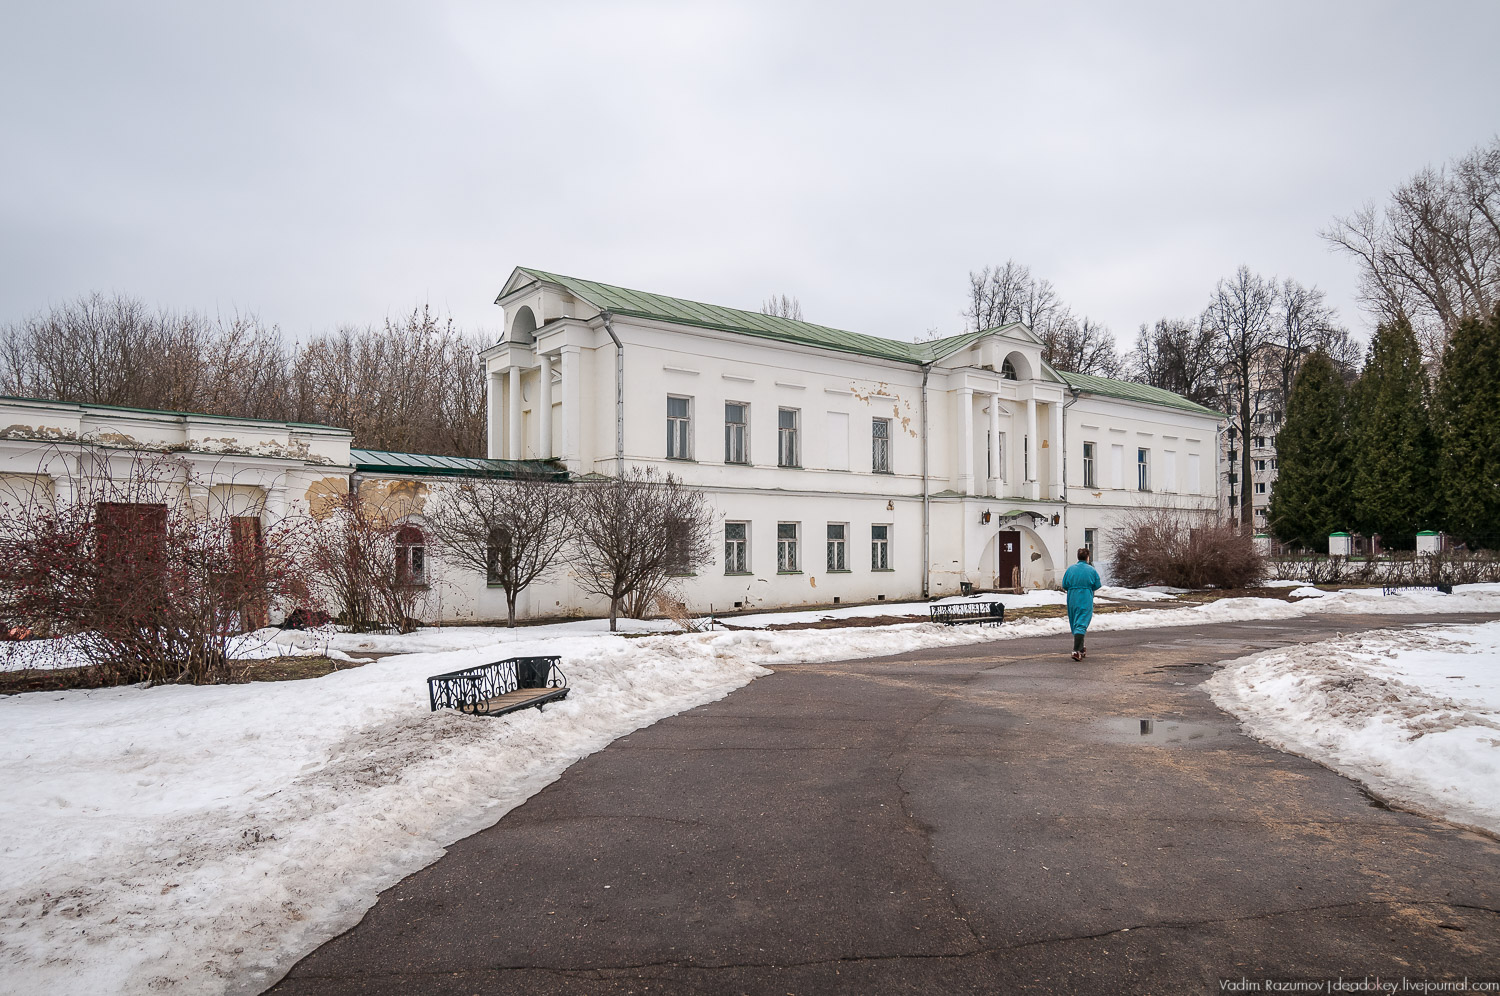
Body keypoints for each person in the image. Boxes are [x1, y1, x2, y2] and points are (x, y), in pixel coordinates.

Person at [1062, 547, 1101, 661]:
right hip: (1085, 596)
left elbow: (1065, 584)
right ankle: (1076, 650)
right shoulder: (1091, 570)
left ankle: (1081, 647)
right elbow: (1097, 584)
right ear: (1088, 557)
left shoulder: (1070, 569)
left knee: (1075, 621)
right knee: (1082, 621)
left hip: (1072, 597)